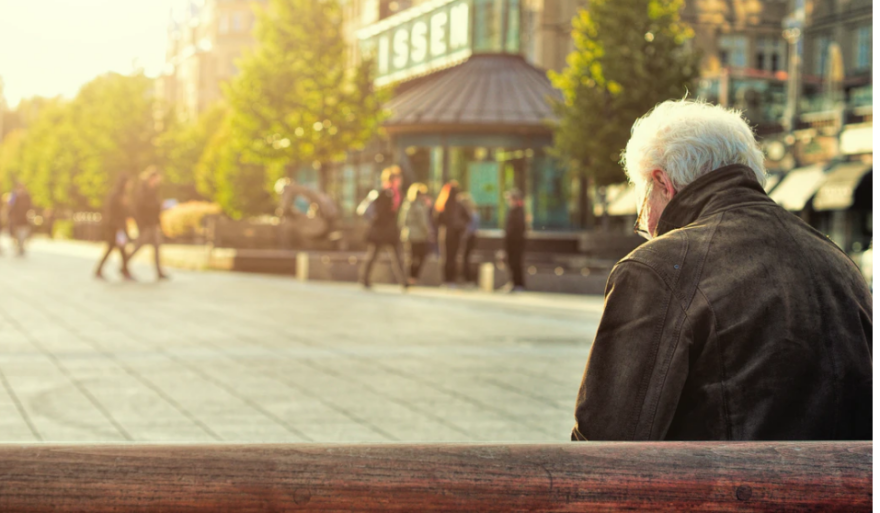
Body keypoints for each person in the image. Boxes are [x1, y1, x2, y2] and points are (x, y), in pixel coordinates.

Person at [572, 99, 872, 442]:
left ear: (662, 183)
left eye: (642, 211)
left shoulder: (658, 269)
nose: (648, 227)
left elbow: (604, 444)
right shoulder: (839, 263)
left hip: (720, 493)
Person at [360, 166, 407, 289]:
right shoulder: (385, 193)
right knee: (374, 255)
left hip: (390, 230)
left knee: (397, 255)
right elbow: (380, 213)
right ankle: (364, 278)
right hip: (381, 231)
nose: (400, 180)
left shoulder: (396, 193)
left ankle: (404, 281)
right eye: (398, 178)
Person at [128, 167, 169, 280]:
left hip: (153, 224)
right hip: (145, 225)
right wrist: (142, 224)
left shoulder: (154, 191)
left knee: (157, 246)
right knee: (138, 246)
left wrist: (158, 222)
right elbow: (139, 209)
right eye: (156, 179)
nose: (158, 181)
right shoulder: (142, 191)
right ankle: (124, 264)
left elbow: (155, 209)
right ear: (151, 178)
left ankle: (159, 271)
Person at [95, 175, 135, 281]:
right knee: (118, 249)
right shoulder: (117, 195)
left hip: (118, 227)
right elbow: (114, 212)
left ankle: (102, 270)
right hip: (116, 228)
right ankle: (124, 271)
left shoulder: (121, 194)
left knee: (117, 249)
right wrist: (118, 227)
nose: (131, 185)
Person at [434, 181, 470, 286]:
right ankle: (451, 279)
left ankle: (447, 279)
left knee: (447, 257)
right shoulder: (457, 205)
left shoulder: (443, 204)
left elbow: (437, 219)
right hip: (455, 233)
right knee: (453, 257)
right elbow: (468, 218)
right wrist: (460, 225)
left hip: (447, 233)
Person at [399, 183, 432, 286]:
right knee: (419, 256)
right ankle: (413, 278)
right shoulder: (418, 205)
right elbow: (423, 222)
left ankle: (410, 278)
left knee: (412, 257)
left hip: (408, 234)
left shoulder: (406, 204)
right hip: (419, 235)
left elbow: (401, 221)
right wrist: (428, 232)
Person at [504, 189, 526, 292]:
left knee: (515, 262)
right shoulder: (514, 210)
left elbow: (517, 228)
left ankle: (518, 284)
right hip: (512, 241)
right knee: (512, 262)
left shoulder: (518, 211)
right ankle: (514, 282)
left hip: (515, 242)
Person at [459, 193, 480, 285]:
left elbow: (472, 227)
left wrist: (465, 234)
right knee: (465, 258)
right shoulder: (473, 213)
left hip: (469, 237)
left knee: (466, 258)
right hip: (470, 237)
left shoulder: (471, 214)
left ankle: (468, 278)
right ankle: (466, 278)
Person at [7, 182, 32, 256]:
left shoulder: (27, 196)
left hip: (24, 218)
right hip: (16, 218)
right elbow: (10, 205)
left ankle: (21, 246)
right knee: (16, 233)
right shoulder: (14, 195)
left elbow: (30, 206)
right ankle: (18, 246)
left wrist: (30, 214)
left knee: (24, 233)